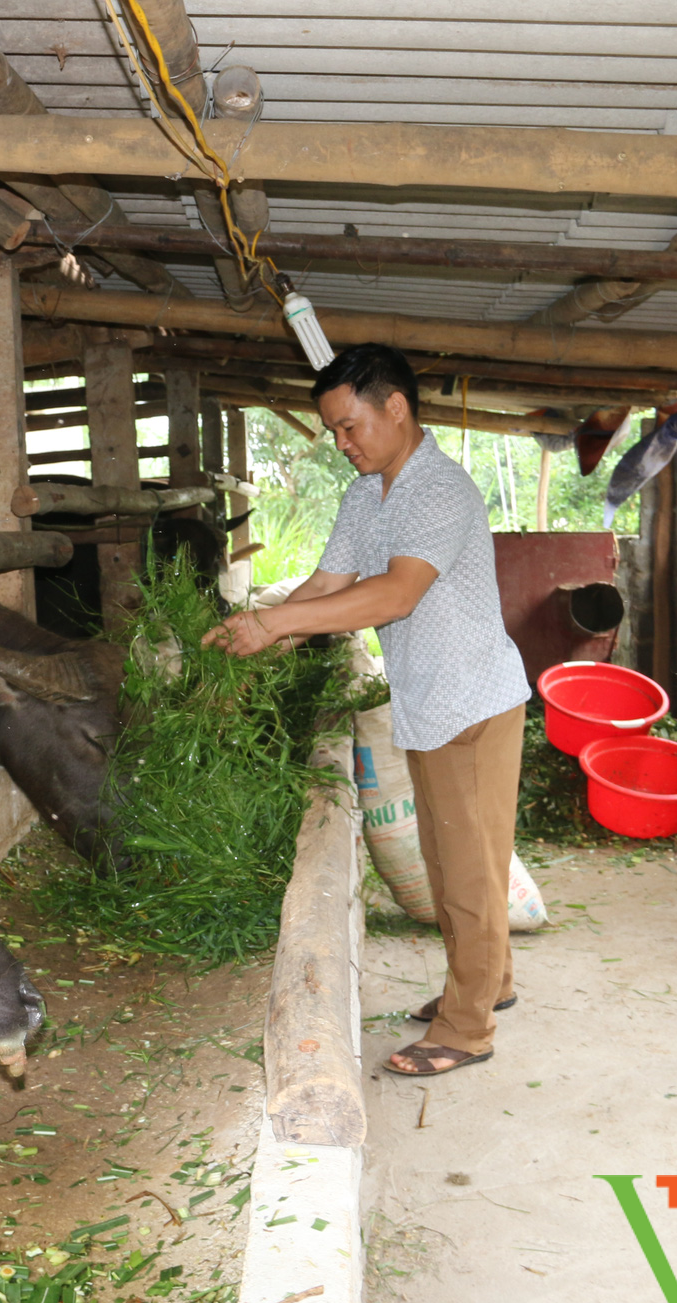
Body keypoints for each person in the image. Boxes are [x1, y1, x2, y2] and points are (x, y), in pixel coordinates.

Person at [202, 343, 530, 1077]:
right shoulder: (365, 495)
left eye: (350, 426)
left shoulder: (439, 489)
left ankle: (467, 1027)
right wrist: (261, 624)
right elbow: (330, 580)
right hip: (428, 697)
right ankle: (490, 982)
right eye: (334, 432)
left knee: (467, 871)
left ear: (396, 408)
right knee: (457, 860)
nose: (342, 444)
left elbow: (395, 595)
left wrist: (279, 627)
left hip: (470, 701)